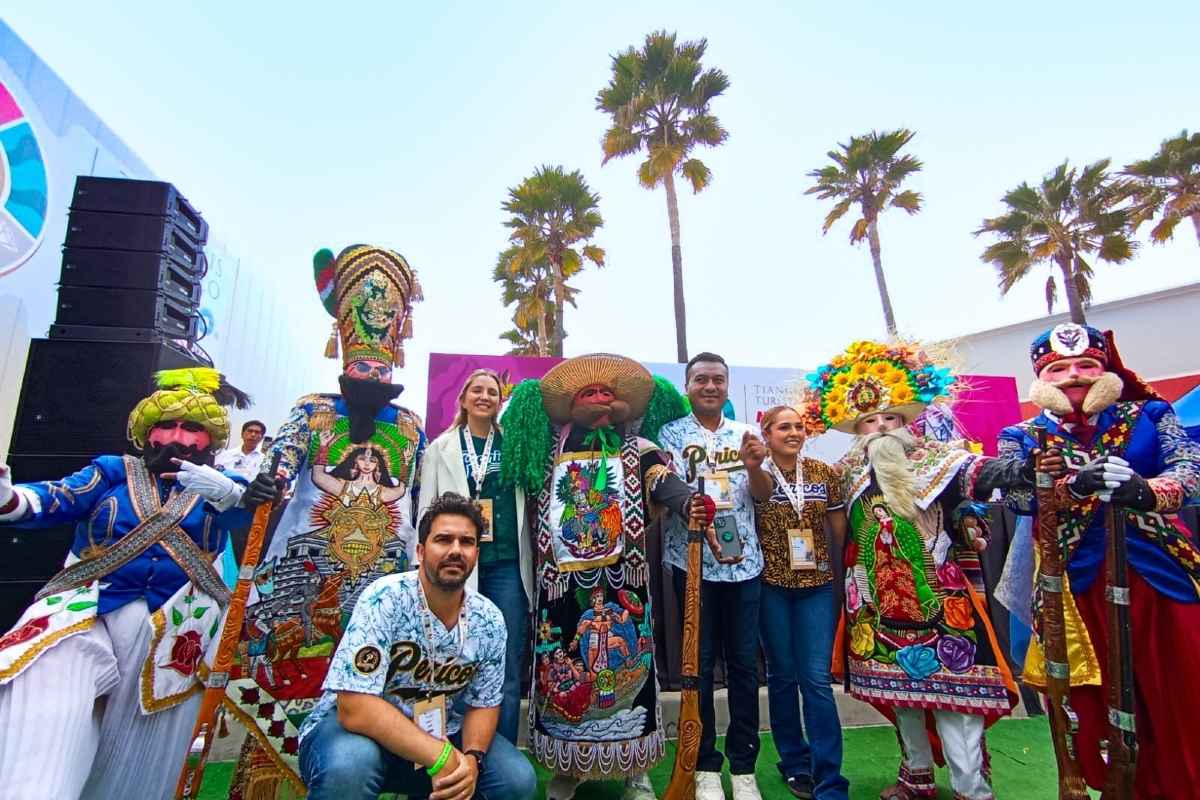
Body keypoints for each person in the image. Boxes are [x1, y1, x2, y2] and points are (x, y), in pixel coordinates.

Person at [227, 244, 427, 797]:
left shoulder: (411, 425)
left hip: (380, 586)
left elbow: (418, 493)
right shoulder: (311, 409)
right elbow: (283, 463)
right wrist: (268, 481)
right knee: (288, 689)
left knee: (370, 699)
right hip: (304, 573)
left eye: (379, 368)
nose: (371, 374)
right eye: (361, 366)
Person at [0, 367, 253, 798]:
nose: (178, 437)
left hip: (175, 631)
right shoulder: (113, 471)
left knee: (141, 764)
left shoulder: (220, 489)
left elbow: (251, 517)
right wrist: (10, 497)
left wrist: (230, 492)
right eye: (166, 425)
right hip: (89, 614)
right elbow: (57, 497)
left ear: (210, 439)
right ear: (147, 431)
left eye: (191, 428)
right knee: (47, 696)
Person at [805, 340, 1024, 800]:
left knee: (956, 698)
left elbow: (978, 478)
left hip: (939, 595)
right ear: (856, 428)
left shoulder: (938, 458)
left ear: (907, 420)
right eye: (869, 421)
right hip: (874, 599)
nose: (880, 427)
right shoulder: (844, 471)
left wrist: (1000, 487)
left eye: (889, 418)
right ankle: (916, 776)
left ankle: (971, 788)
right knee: (899, 694)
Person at [995, 323, 1200, 797]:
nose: (1074, 376)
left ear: (1105, 370)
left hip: (1160, 572)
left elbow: (1190, 469)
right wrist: (1071, 488)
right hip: (1074, 585)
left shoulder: (1149, 413)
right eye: (1059, 368)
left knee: (1183, 688)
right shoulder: (1023, 436)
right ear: (1042, 377)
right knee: (1094, 706)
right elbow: (1016, 496)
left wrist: (1145, 490)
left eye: (1086, 365)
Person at [499, 353, 715, 800]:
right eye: (589, 394)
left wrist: (685, 502)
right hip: (559, 589)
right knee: (560, 670)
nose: (600, 399)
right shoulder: (546, 454)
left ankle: (635, 769)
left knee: (627, 660)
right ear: (571, 405)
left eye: (607, 394)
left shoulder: (636, 447)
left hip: (624, 585)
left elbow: (661, 478)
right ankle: (568, 767)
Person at [297, 492, 537, 800]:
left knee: (515, 780)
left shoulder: (488, 618)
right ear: (421, 551)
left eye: (466, 542)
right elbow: (354, 708)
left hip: (441, 730)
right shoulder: (384, 598)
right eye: (443, 540)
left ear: (477, 553)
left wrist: (473, 760)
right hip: (359, 735)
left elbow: (484, 702)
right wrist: (441, 757)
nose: (455, 550)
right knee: (350, 765)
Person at [658, 352, 766, 800]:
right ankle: (704, 764)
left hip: (745, 566)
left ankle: (743, 767)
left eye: (717, 380)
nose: (709, 386)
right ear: (688, 386)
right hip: (693, 563)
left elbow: (761, 495)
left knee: (743, 666)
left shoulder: (746, 435)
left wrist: (757, 466)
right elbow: (666, 492)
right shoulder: (671, 434)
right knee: (696, 667)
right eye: (700, 379)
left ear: (727, 386)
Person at [418, 369, 533, 746]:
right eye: (477, 390)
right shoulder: (441, 448)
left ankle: (499, 748)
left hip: (506, 565)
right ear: (464, 398)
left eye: (493, 392)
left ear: (501, 402)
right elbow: (426, 510)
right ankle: (447, 745)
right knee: (450, 653)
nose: (485, 396)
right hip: (458, 564)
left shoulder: (514, 443)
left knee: (507, 656)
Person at [749, 405, 849, 800]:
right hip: (770, 585)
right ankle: (795, 763)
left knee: (817, 681)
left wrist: (851, 574)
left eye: (799, 426)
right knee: (781, 675)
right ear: (767, 433)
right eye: (784, 427)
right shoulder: (754, 474)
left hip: (818, 585)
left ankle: (830, 780)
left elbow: (840, 530)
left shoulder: (824, 473)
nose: (793, 432)